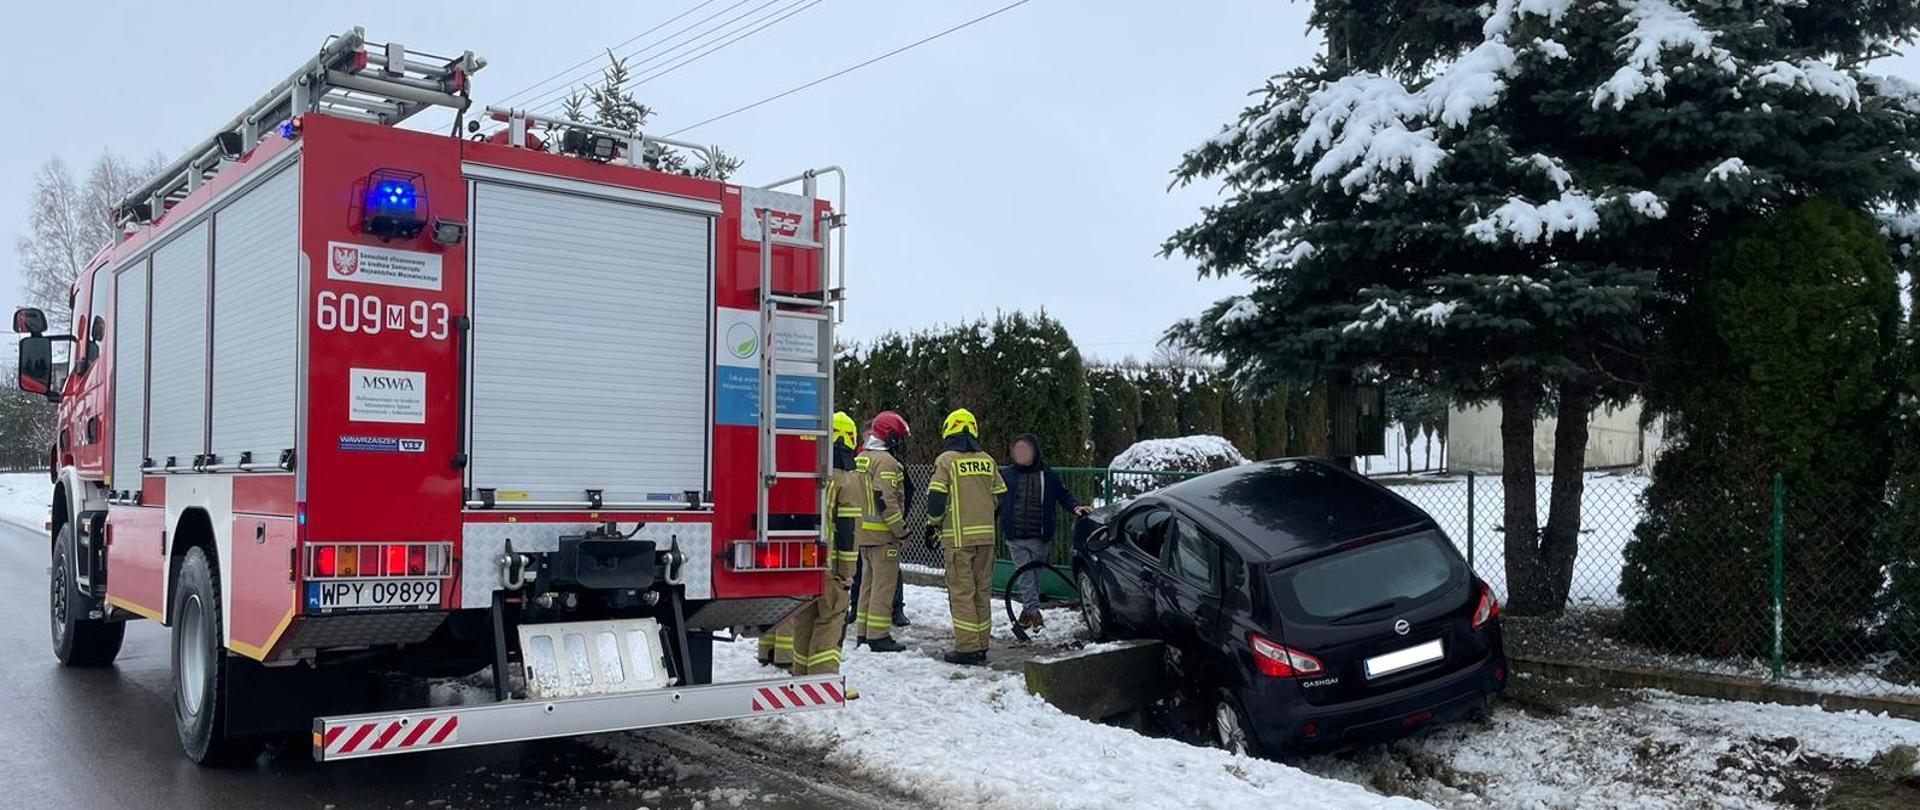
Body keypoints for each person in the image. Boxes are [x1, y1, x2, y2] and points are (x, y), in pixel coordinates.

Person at [923, 408, 1006, 666]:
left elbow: (936, 498)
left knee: (962, 593)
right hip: (986, 539)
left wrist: (932, 525)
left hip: (958, 541)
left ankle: (967, 648)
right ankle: (982, 644)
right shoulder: (988, 460)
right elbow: (1001, 496)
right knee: (982, 592)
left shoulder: (946, 460)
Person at [789, 412, 864, 676]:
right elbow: (847, 530)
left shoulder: (807, 473)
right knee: (831, 617)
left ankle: (800, 675)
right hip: (830, 566)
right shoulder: (848, 480)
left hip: (802, 562)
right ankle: (822, 679)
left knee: (804, 618)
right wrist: (847, 571)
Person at [999, 433, 1093, 630]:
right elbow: (995, 500)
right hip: (1015, 536)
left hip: (1040, 536)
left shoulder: (1048, 476)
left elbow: (1064, 496)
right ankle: (1035, 613)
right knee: (1025, 575)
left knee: (1033, 576)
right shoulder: (1006, 475)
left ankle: (1027, 612)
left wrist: (1077, 508)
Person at [853, 411, 913, 653]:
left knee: (867, 585)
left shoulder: (861, 458)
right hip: (883, 536)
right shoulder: (886, 462)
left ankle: (863, 632)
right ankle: (878, 636)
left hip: (863, 535)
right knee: (883, 587)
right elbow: (886, 500)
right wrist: (902, 532)